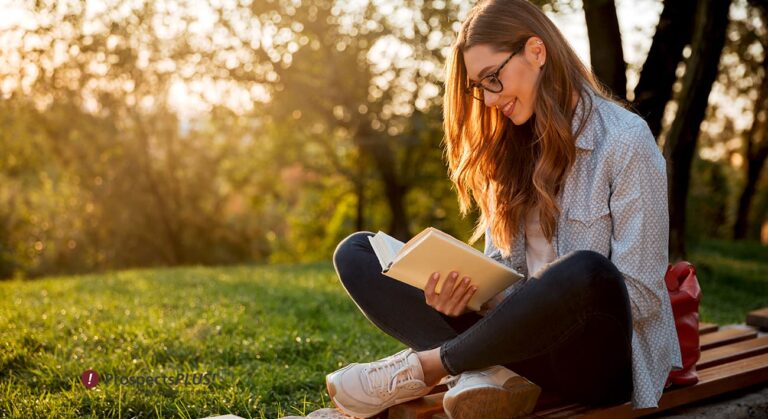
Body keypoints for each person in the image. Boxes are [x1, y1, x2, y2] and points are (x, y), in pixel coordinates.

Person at [325, 0, 683, 417]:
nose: (490, 99)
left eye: (493, 78)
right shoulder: (508, 147)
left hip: (597, 363)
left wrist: (535, 308)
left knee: (586, 271)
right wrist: (466, 296)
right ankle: (487, 370)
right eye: (480, 86)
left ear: (536, 51)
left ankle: (430, 366)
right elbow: (501, 271)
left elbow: (639, 295)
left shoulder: (625, 141)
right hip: (515, 346)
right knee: (358, 252)